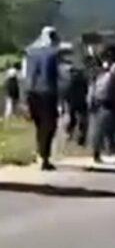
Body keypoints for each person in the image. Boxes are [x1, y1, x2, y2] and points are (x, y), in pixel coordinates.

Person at [26, 27, 62, 171]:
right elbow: (55, 76)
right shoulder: (53, 53)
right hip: (47, 94)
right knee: (49, 126)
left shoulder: (30, 52)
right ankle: (44, 157)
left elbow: (26, 75)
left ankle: (40, 153)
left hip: (32, 93)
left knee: (39, 125)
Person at [90, 44, 115, 163]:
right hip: (114, 100)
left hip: (100, 99)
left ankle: (97, 152)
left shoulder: (102, 67)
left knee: (99, 128)